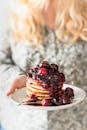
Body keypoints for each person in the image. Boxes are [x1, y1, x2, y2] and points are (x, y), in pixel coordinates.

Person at [0, 0, 87, 130]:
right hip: (20, 122)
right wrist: (15, 77)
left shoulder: (83, 11)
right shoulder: (16, 13)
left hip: (76, 122)